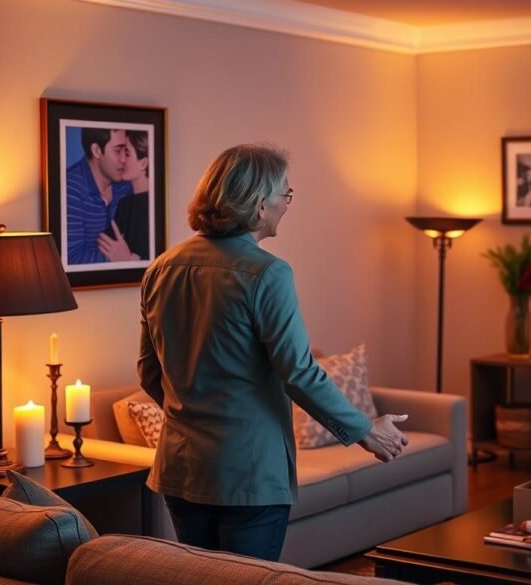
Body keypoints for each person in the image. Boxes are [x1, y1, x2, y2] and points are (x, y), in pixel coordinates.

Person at [138, 144, 409, 562]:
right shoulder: (267, 273)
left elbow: (149, 374)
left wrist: (192, 413)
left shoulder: (161, 268)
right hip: (250, 473)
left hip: (182, 467)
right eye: (286, 194)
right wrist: (366, 431)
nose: (288, 204)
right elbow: (298, 372)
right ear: (259, 205)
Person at [65, 128, 133, 264]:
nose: (124, 159)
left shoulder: (125, 185)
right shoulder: (70, 188)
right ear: (96, 150)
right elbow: (71, 258)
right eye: (117, 150)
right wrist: (125, 260)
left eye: (125, 151)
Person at [99, 130, 149, 261]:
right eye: (119, 152)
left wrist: (128, 259)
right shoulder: (125, 203)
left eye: (127, 153)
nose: (121, 159)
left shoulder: (151, 207)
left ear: (143, 163)